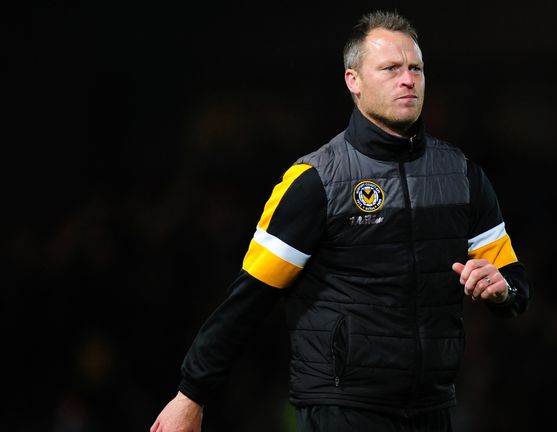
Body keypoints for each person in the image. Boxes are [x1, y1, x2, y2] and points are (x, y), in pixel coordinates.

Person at [150, 10, 531, 432]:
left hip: (433, 407)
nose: (408, 79)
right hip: (341, 407)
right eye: (391, 69)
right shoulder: (315, 182)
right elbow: (248, 300)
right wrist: (191, 395)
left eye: (416, 68)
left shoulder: (462, 175)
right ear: (354, 81)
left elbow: (514, 284)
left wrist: (502, 290)